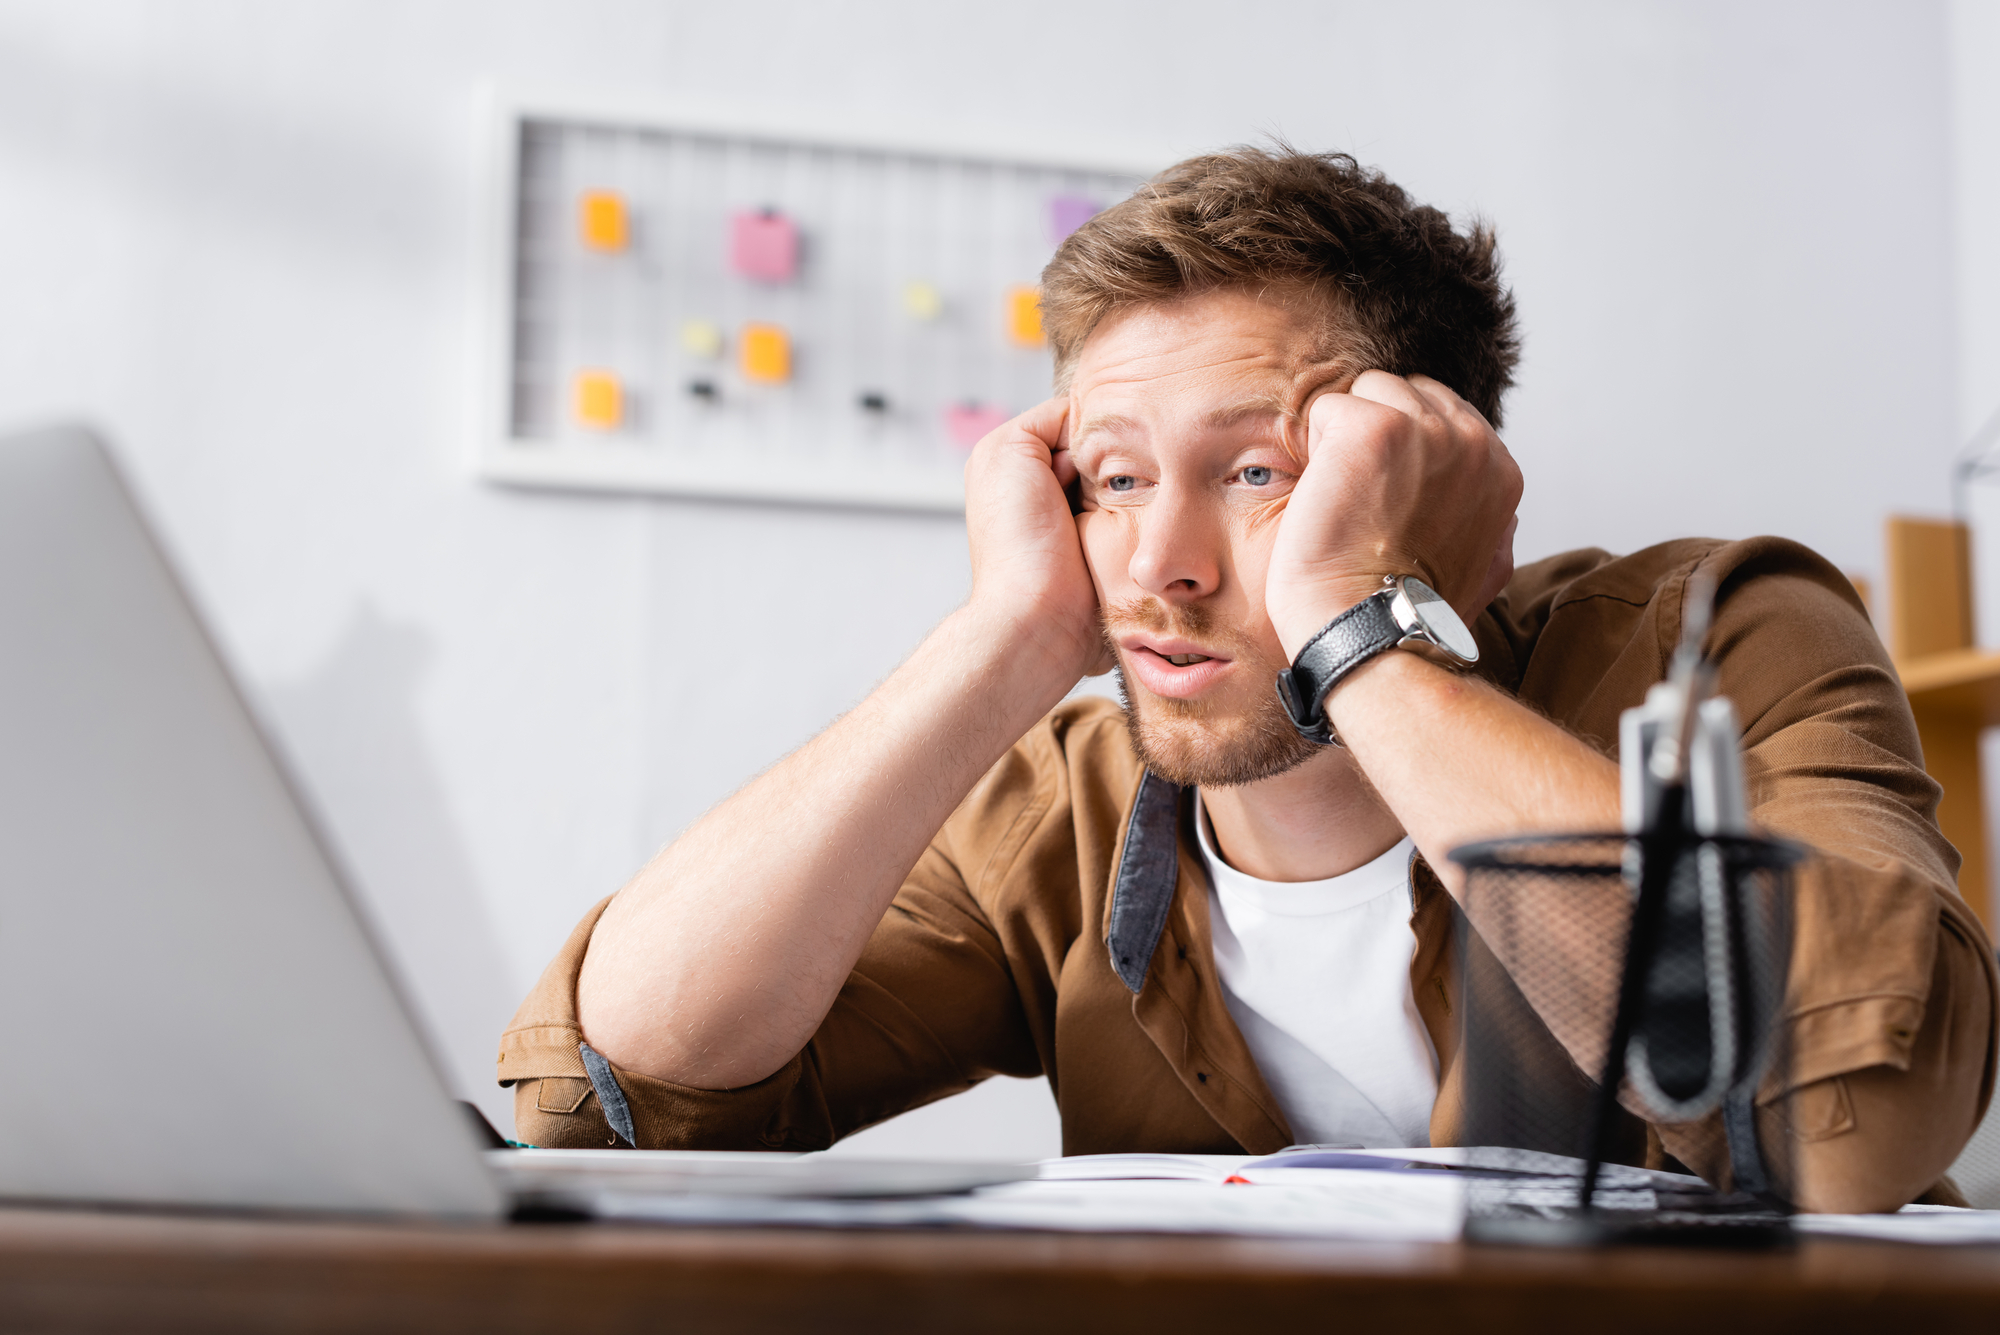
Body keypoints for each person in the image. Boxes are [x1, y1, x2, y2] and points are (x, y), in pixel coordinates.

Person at [498, 147, 1997, 1212]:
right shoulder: (1070, 803)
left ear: (1435, 472)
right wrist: (1003, 643)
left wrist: (1360, 622)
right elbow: (614, 1098)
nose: (1161, 565)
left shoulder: (1712, 638)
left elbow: (1853, 1125)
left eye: (1258, 469)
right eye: (1115, 478)